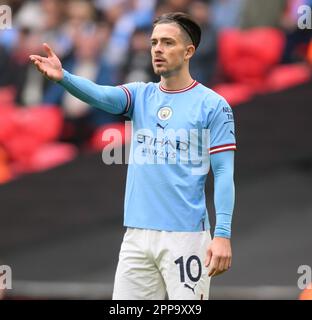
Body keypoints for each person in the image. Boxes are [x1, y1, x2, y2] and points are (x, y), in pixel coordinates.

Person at [29, 12, 236, 300]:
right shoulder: (141, 95)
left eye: (167, 42)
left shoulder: (213, 105)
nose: (157, 49)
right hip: (137, 236)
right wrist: (64, 78)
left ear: (189, 51)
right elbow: (101, 95)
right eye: (154, 43)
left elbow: (225, 173)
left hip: (186, 237)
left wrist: (223, 234)